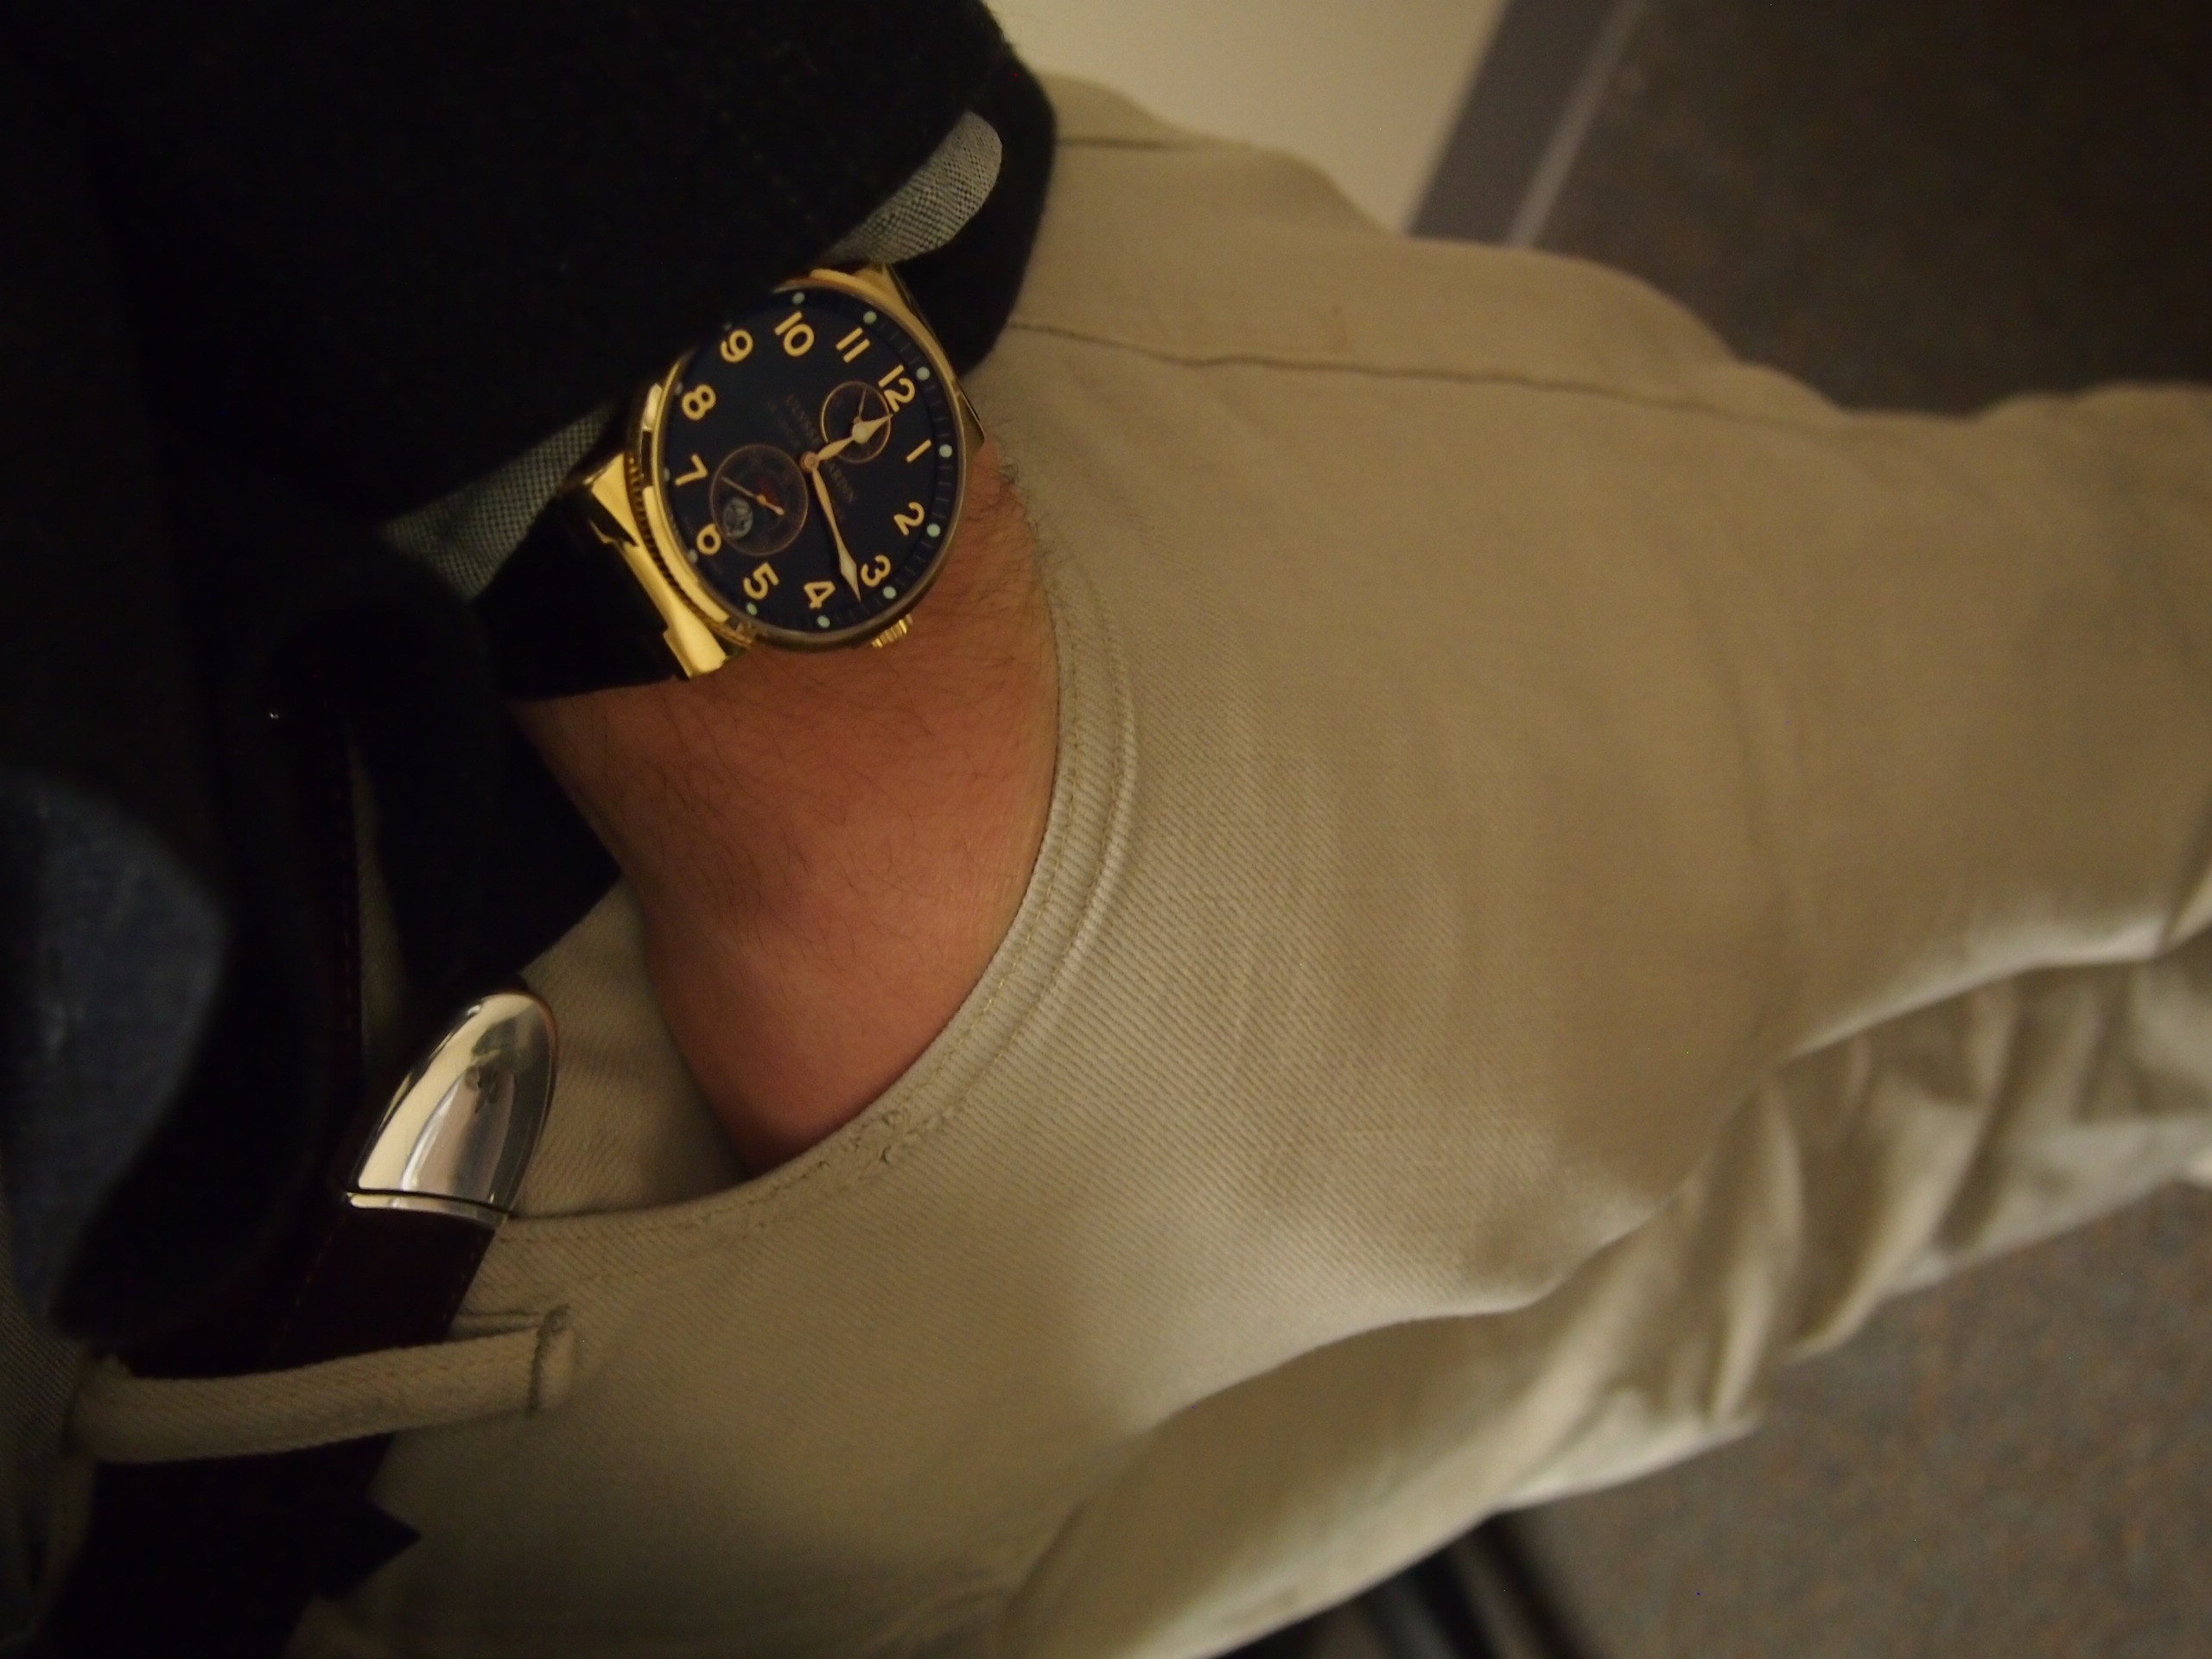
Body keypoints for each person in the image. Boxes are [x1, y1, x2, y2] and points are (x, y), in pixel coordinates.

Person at [8, 8, 2212, 1657]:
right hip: (441, 1567)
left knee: (2106, 690)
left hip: (723, 853)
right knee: (1788, 1238)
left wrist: (658, 406)